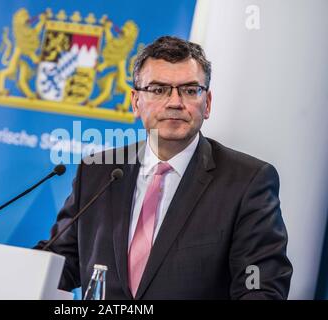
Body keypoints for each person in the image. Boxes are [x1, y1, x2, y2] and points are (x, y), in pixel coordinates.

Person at [35, 36, 293, 299]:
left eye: (190, 90)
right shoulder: (98, 171)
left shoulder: (247, 182)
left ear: (208, 103)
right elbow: (62, 261)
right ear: (136, 102)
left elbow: (261, 287)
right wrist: (8, 268)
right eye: (158, 90)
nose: (174, 102)